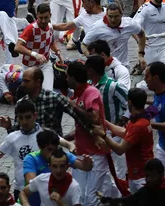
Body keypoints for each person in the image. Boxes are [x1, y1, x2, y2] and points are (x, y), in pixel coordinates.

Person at [0, 99, 76, 201]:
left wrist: (71, 147)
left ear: (35, 115)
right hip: (21, 189)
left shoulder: (44, 134)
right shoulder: (12, 138)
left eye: (28, 117)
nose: (24, 122)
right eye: (21, 118)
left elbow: (63, 141)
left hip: (45, 189)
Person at [0, 67, 103, 138]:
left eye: (27, 81)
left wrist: (94, 133)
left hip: (52, 152)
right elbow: (17, 134)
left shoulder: (55, 98)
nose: (22, 84)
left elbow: (79, 119)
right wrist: (9, 127)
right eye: (23, 81)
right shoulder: (21, 103)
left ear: (38, 82)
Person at [66, 61, 113, 206]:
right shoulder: (78, 94)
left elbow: (94, 117)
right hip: (82, 152)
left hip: (96, 154)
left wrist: (74, 106)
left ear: (73, 78)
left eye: (67, 76)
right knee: (80, 193)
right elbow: (83, 126)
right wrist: (64, 137)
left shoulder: (90, 92)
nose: (66, 79)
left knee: (91, 197)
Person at [22, 129, 93, 206]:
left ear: (67, 166)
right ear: (40, 147)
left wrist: (88, 164)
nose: (52, 153)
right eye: (49, 149)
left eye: (54, 149)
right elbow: (31, 182)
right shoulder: (31, 159)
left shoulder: (61, 157)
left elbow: (85, 167)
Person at [85, 55, 128, 184]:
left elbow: (129, 104)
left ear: (91, 70)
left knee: (117, 169)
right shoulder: (88, 85)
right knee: (101, 169)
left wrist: (120, 123)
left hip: (113, 134)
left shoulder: (113, 86)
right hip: (96, 135)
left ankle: (121, 197)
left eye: (87, 69)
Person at [104, 88, 155, 193]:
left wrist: (103, 135)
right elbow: (125, 132)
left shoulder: (138, 125)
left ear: (130, 102)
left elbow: (120, 149)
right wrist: (106, 123)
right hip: (138, 174)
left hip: (140, 177)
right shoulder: (140, 119)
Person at [81, 3, 146, 69]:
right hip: (104, 68)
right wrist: (91, 58)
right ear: (106, 15)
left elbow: (141, 34)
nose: (113, 20)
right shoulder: (97, 27)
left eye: (116, 16)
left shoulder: (129, 23)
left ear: (121, 15)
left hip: (123, 66)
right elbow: (83, 45)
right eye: (110, 16)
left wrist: (141, 54)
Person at [15, 3, 63, 91]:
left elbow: (51, 42)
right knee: (32, 93)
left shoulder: (50, 27)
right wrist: (35, 54)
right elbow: (17, 47)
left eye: (46, 17)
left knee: (47, 92)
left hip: (45, 64)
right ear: (37, 15)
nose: (43, 21)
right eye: (41, 18)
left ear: (50, 15)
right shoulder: (31, 28)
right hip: (29, 67)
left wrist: (57, 51)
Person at [99, 158, 165, 205]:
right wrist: (106, 200)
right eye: (147, 176)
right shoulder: (144, 192)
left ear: (162, 175)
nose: (148, 179)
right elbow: (126, 201)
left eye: (153, 176)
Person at [133, 0, 165, 65]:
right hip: (150, 48)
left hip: (163, 47)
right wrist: (140, 42)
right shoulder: (144, 9)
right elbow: (133, 27)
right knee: (151, 76)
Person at [144, 62, 165, 167]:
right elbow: (157, 106)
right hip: (162, 147)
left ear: (155, 78)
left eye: (147, 76)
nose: (144, 80)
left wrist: (148, 124)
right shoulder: (158, 92)